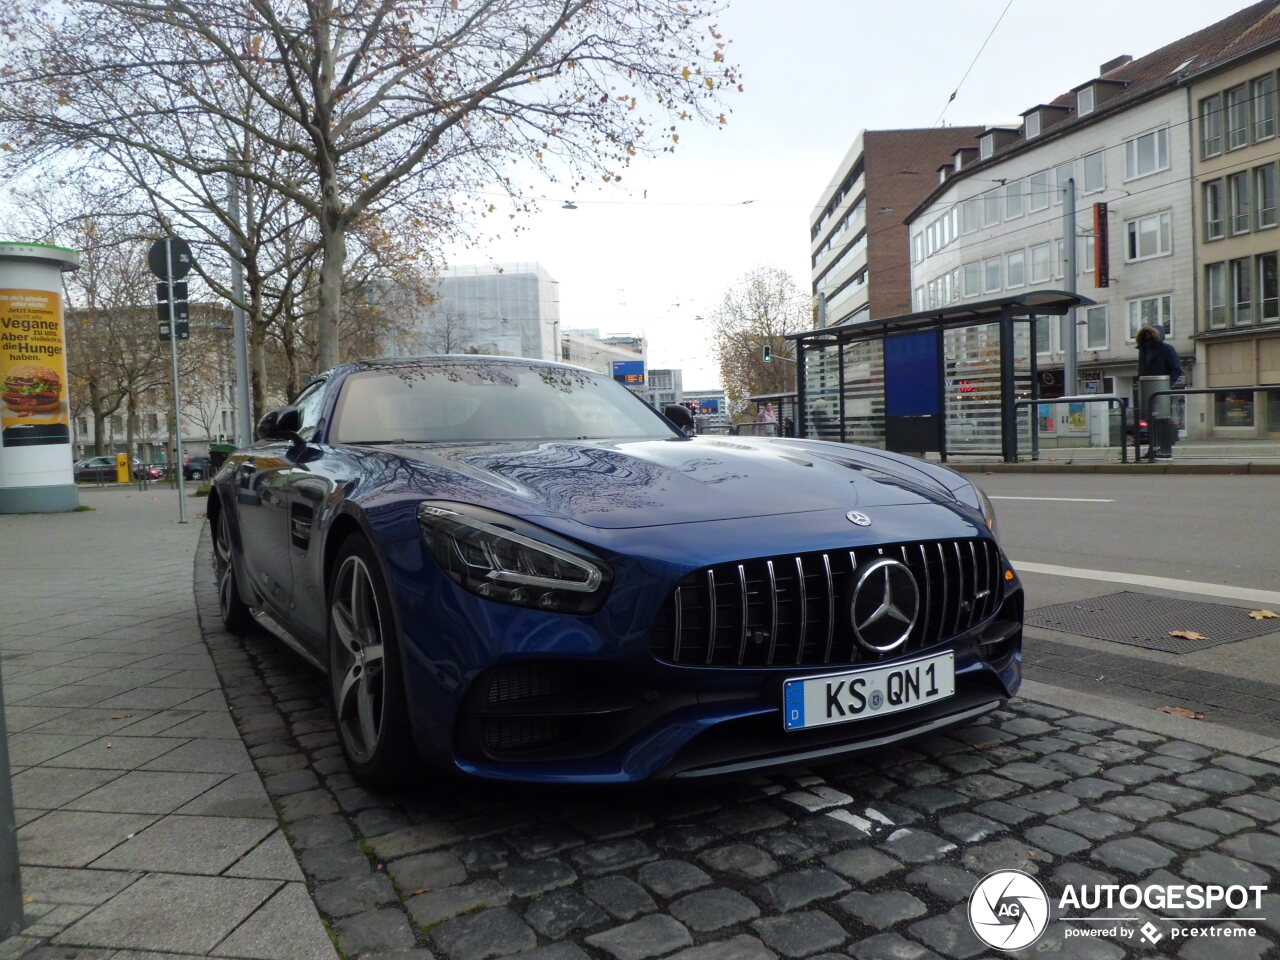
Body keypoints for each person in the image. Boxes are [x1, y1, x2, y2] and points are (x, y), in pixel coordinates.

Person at [1135, 324, 1183, 460]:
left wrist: (1166, 385)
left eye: (1150, 334)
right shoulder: (1143, 350)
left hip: (1160, 389)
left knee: (1162, 420)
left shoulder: (1167, 349)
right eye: (1145, 335)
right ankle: (1153, 449)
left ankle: (1164, 449)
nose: (1147, 337)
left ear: (1158, 335)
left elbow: (1176, 369)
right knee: (1150, 420)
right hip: (1147, 389)